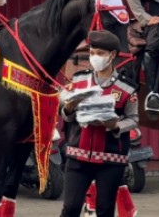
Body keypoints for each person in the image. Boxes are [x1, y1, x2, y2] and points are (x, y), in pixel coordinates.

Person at [59, 30, 139, 217]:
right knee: (70, 209)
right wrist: (69, 108)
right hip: (77, 156)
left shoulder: (127, 87)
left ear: (112, 55)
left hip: (111, 160)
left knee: (105, 210)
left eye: (100, 53)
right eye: (92, 53)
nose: (95, 57)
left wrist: (115, 126)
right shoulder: (79, 80)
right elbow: (67, 117)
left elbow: (134, 119)